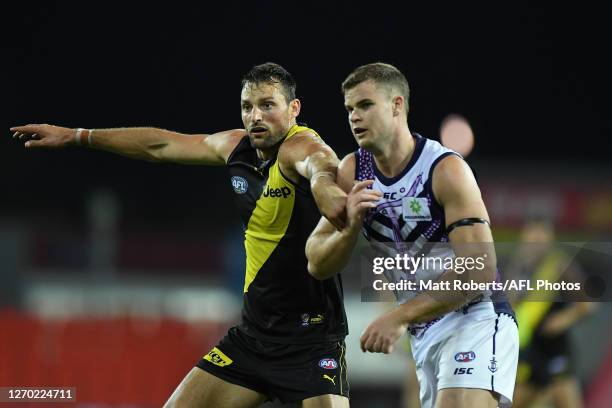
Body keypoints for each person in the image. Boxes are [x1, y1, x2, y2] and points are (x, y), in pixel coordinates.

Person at [11, 62, 351, 408]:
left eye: (267, 105)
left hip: (312, 343)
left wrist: (331, 192)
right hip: (253, 339)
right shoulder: (236, 148)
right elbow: (158, 145)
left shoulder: (302, 147)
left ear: (294, 109)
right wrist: (77, 135)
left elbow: (321, 167)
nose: (255, 116)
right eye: (247, 106)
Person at [305, 62, 518, 408]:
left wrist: (398, 316)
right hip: (423, 330)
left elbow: (479, 268)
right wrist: (351, 226)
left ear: (397, 105)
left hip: (475, 317)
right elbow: (316, 260)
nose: (354, 117)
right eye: (349, 109)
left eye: (365, 105)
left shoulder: (444, 169)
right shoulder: (351, 172)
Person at [509, 219, 596, 408]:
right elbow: (512, 303)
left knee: (566, 400)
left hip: (556, 350)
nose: (536, 240)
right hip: (531, 349)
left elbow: (588, 304)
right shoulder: (519, 267)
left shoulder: (559, 266)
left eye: (542, 235)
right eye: (533, 234)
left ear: (550, 239)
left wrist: (563, 319)